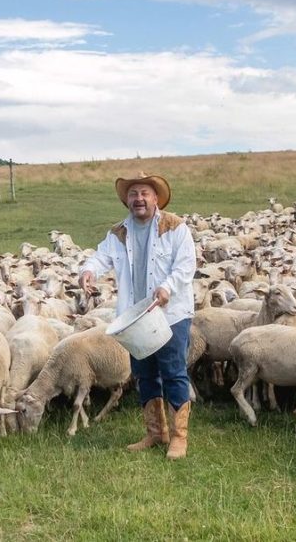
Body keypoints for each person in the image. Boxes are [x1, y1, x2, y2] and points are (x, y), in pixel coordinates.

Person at [79, 172, 196, 459]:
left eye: (144, 193)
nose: (139, 199)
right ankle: (156, 432)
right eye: (133, 194)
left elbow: (186, 265)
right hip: (136, 316)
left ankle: (179, 438)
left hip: (170, 313)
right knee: (145, 374)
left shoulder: (175, 227)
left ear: (156, 198)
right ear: (126, 200)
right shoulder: (119, 233)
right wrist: (88, 270)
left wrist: (168, 287)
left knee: (173, 371)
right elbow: (101, 256)